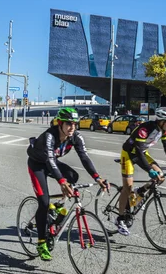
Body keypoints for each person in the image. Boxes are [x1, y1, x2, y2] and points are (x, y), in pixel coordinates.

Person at [26, 107, 109, 261]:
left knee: (73, 176)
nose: (72, 127)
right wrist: (62, 182)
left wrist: (98, 177)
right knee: (43, 202)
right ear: (60, 123)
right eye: (69, 124)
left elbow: (84, 157)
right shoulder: (49, 136)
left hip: (51, 162)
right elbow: (50, 161)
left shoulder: (76, 137)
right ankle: (41, 242)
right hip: (37, 165)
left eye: (75, 124)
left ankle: (58, 206)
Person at [117, 107, 166, 236]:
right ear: (162, 121)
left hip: (142, 153)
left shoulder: (163, 130)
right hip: (129, 154)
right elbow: (137, 151)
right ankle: (120, 219)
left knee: (161, 176)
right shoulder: (145, 129)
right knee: (127, 187)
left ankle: (140, 191)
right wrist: (149, 170)